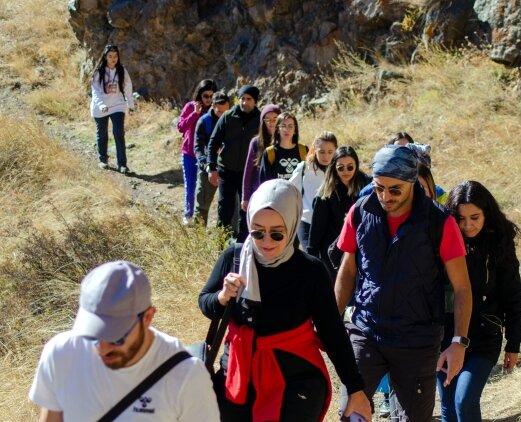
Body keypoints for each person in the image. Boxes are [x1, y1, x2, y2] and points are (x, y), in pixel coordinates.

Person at [197, 179, 372, 422]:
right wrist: (223, 296)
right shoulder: (235, 257)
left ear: (291, 227)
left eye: (277, 234)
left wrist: (355, 388)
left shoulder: (310, 271)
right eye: (257, 232)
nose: (266, 242)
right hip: (237, 374)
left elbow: (332, 332)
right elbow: (206, 302)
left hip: (295, 379)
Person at [334, 145, 472, 421]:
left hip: (417, 340)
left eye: (394, 189)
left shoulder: (439, 222)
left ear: (412, 182)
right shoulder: (360, 212)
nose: (385, 196)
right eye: (378, 188)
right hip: (367, 330)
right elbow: (347, 271)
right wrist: (331, 320)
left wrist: (459, 342)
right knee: (350, 412)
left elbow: (462, 288)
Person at [29, 261, 220, 421]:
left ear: (147, 317)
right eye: (92, 336)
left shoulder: (186, 376)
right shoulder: (62, 352)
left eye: (116, 337)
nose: (103, 349)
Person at [439, 181, 521, 422]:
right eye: (461, 218)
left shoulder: (499, 243)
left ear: (487, 213)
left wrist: (514, 341)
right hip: (445, 337)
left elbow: (513, 293)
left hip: (483, 337)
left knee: (464, 401)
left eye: (475, 217)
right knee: (448, 408)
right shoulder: (440, 240)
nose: (468, 225)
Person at [207, 84, 261, 238]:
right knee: (224, 211)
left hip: (249, 174)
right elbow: (213, 143)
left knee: (246, 211)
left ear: (255, 101)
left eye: (249, 99)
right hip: (227, 172)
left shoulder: (260, 120)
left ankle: (242, 247)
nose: (244, 102)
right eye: (242, 99)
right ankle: (221, 247)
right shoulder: (228, 117)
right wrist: (212, 168)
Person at [307, 145, 369, 276]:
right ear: (334, 168)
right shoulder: (326, 193)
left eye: (350, 167)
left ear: (356, 166)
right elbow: (317, 228)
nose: (345, 171)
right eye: (340, 167)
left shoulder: (367, 186)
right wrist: (311, 258)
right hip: (334, 252)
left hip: (362, 248)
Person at [90, 44, 134, 174]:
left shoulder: (122, 70)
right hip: (100, 107)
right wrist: (101, 105)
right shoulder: (98, 72)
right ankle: (103, 159)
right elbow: (95, 92)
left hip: (117, 106)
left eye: (115, 56)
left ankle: (122, 164)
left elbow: (128, 88)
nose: (113, 59)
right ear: (105, 57)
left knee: (118, 133)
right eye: (110, 56)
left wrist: (130, 105)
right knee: (102, 134)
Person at [289, 131, 337, 250]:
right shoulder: (304, 168)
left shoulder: (339, 170)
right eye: (321, 152)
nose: (326, 156)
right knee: (312, 257)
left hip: (330, 223)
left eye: (330, 152)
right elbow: (289, 190)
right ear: (314, 149)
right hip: (306, 221)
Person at [178, 79, 217, 225]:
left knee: (203, 188)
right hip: (189, 153)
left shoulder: (215, 112)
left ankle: (200, 215)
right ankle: (188, 214)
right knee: (190, 185)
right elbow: (180, 127)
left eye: (211, 96)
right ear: (200, 95)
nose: (208, 99)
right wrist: (194, 114)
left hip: (206, 156)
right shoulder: (190, 107)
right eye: (205, 96)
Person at [194, 91, 230, 227]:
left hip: (228, 170)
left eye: (225, 111)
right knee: (202, 207)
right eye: (219, 111)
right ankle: (199, 241)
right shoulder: (204, 122)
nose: (222, 115)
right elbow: (198, 148)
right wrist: (207, 166)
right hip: (207, 169)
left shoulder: (232, 120)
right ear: (213, 106)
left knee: (228, 209)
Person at [241, 104, 281, 213]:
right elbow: (248, 171)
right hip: (259, 192)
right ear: (263, 121)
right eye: (267, 119)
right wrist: (245, 197)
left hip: (280, 193)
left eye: (275, 119)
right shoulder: (256, 142)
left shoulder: (285, 141)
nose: (272, 122)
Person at [258, 112, 308, 182]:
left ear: (295, 130)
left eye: (290, 126)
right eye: (283, 126)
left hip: (298, 193)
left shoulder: (304, 150)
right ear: (278, 129)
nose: (286, 129)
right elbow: (264, 183)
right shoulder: (269, 153)